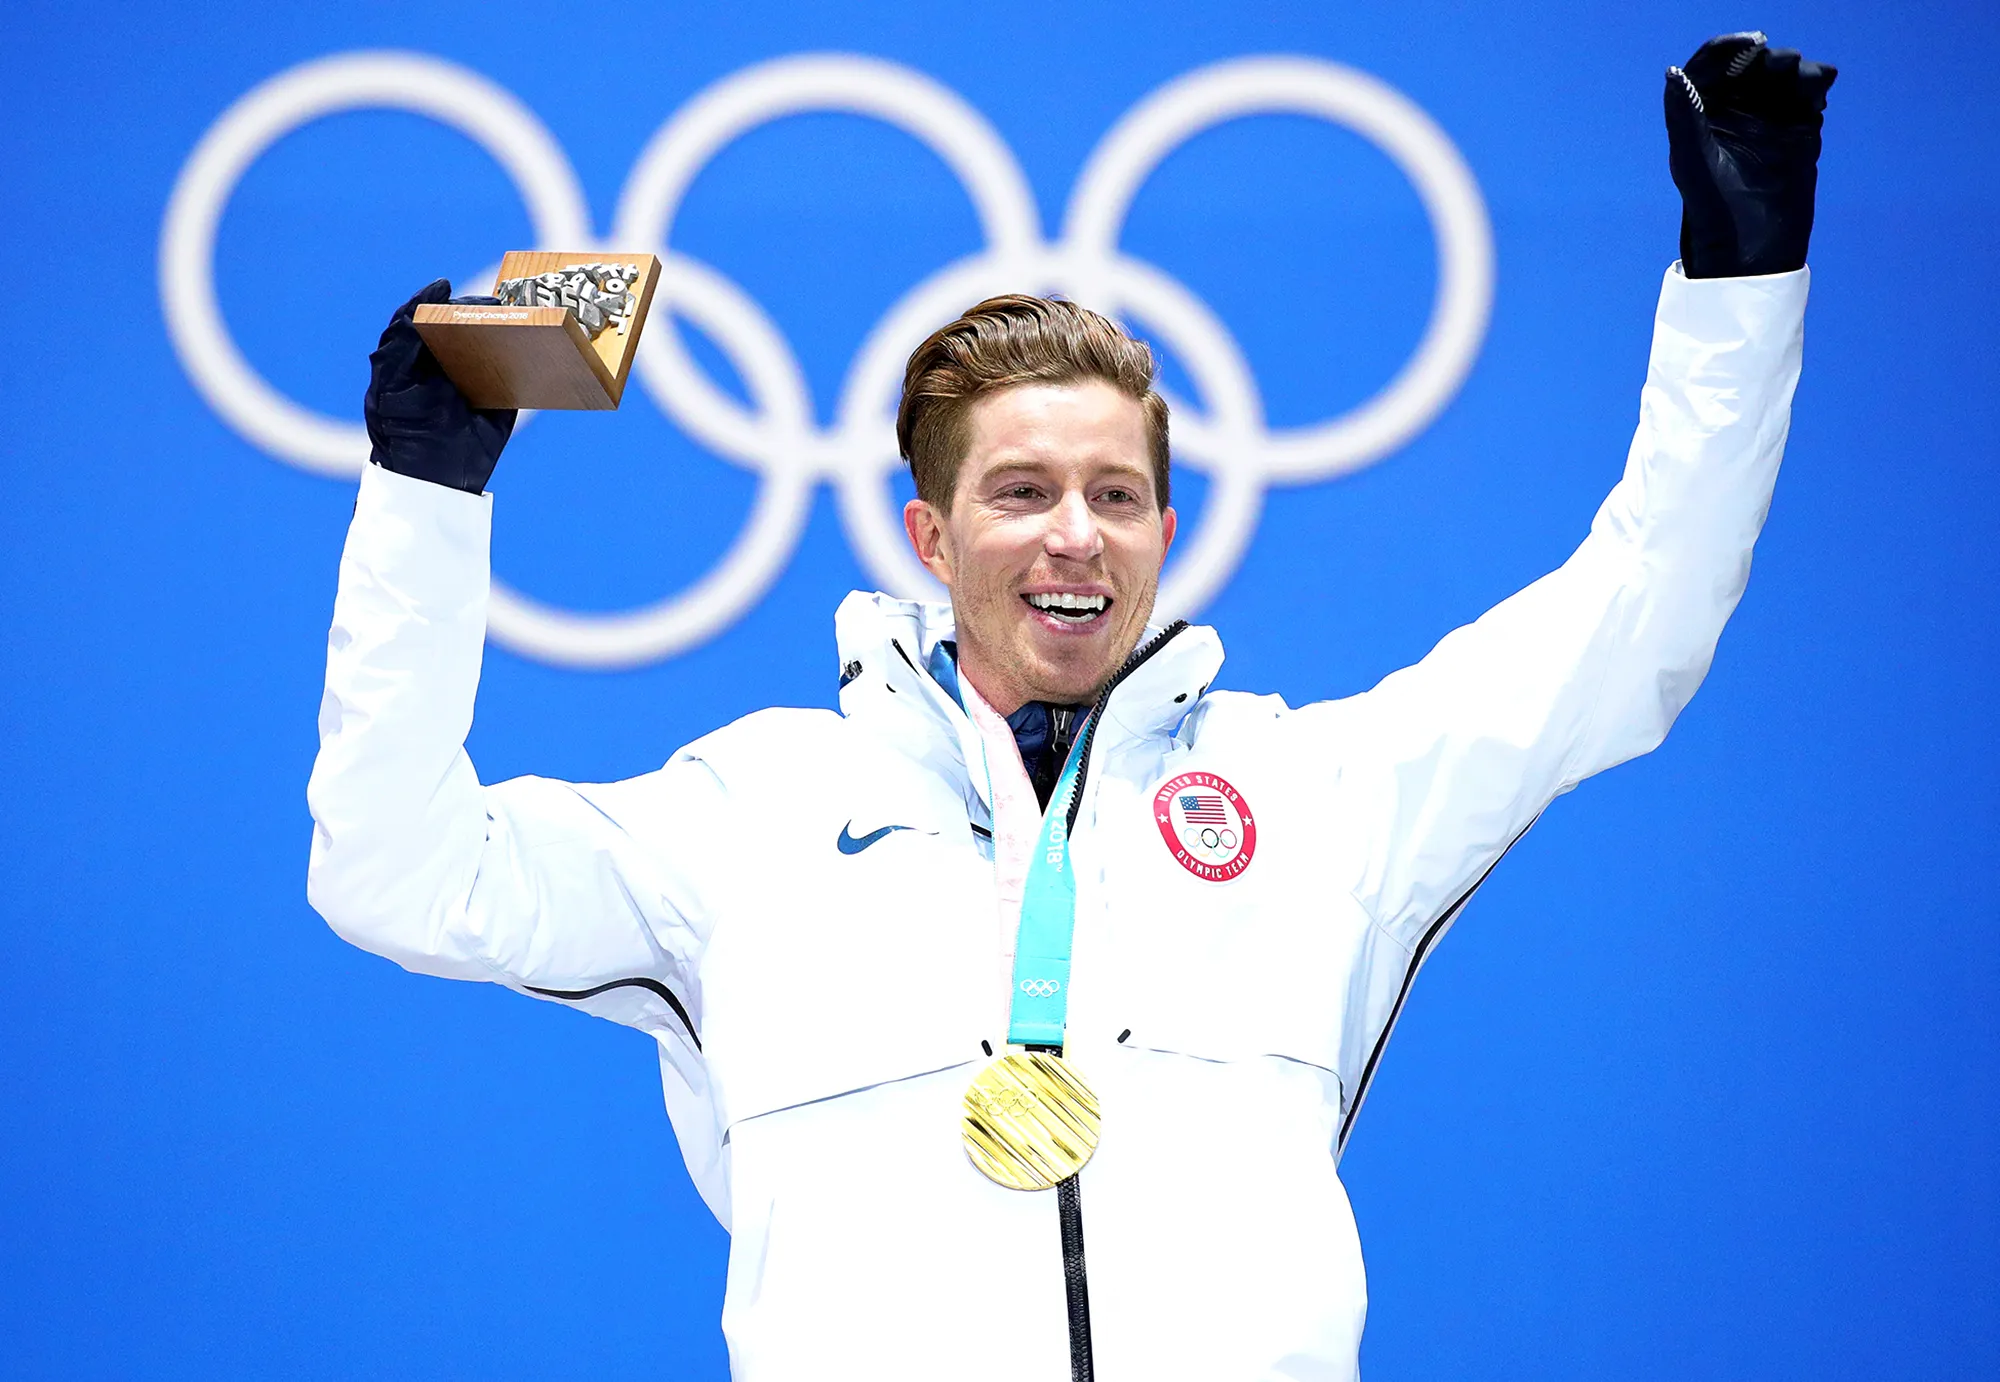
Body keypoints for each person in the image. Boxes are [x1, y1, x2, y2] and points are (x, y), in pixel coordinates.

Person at [307, 34, 1834, 1382]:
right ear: (929, 538)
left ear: (1166, 531)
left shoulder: (1322, 796)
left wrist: (1741, 284)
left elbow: (1637, 618)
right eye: (1022, 492)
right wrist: (424, 497)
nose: (1075, 534)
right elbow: (396, 869)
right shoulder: (753, 814)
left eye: (1117, 494)